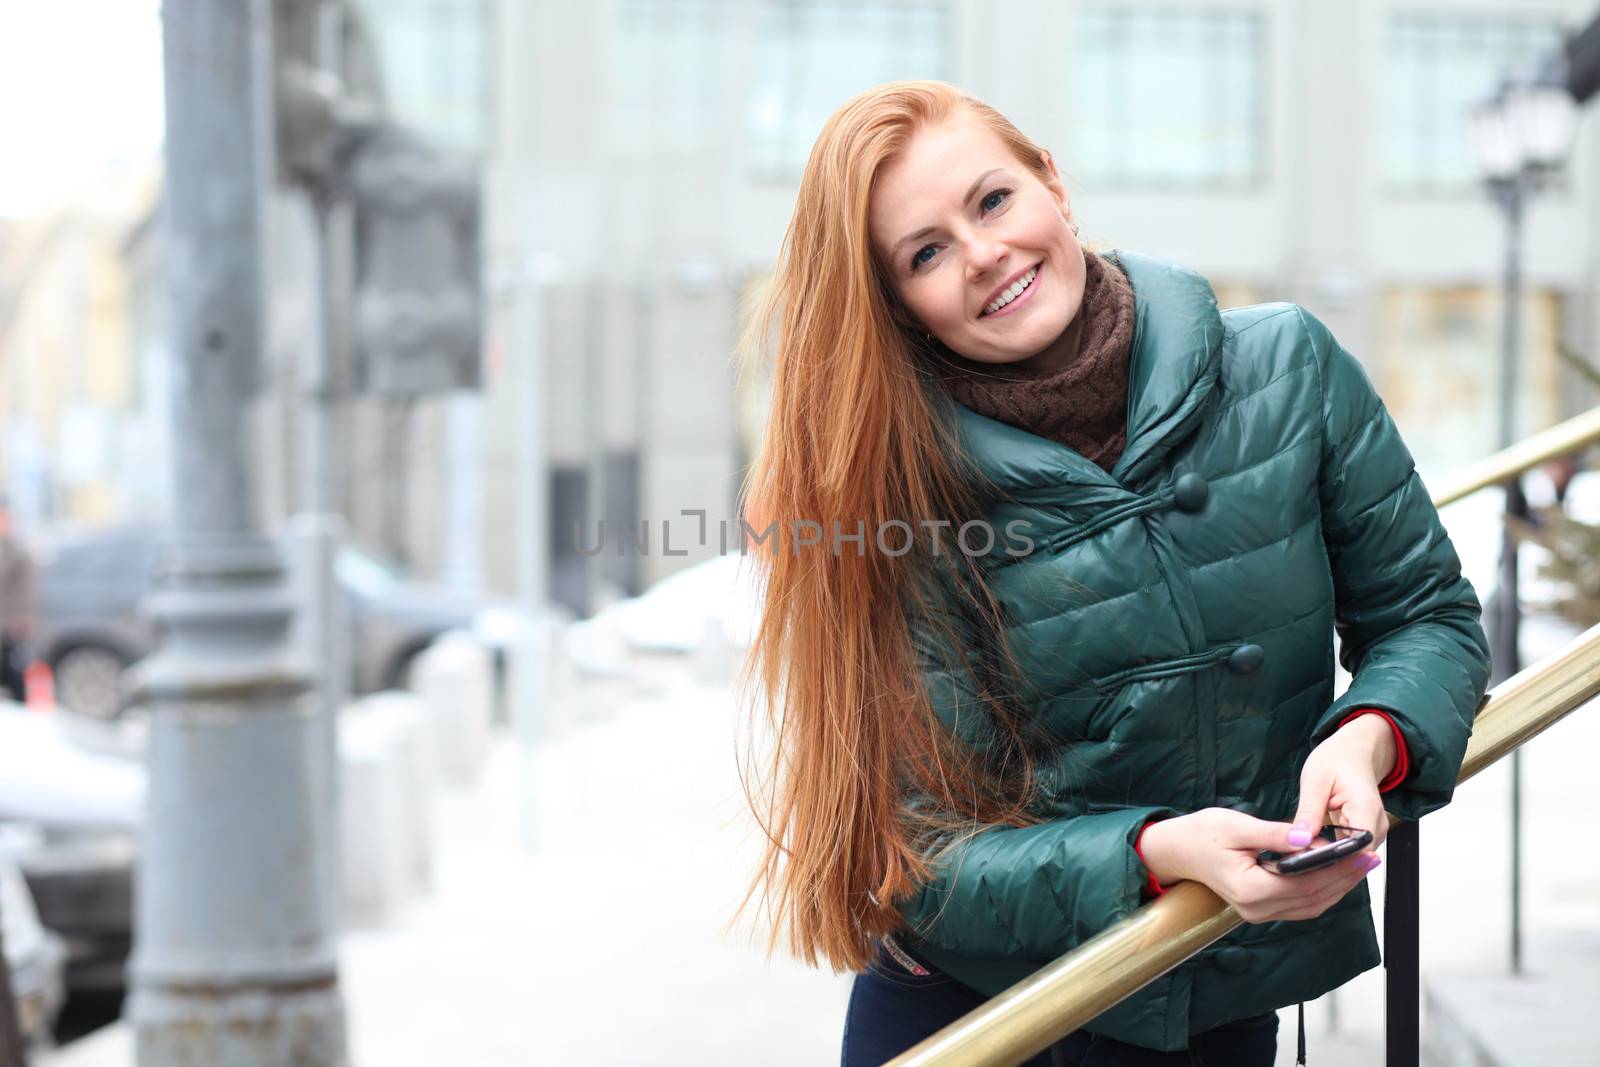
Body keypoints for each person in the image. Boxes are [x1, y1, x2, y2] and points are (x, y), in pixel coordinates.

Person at [736, 81, 1490, 1066]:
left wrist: (1369, 740)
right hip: (976, 1008)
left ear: (1052, 182)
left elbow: (1426, 615)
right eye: (925, 252)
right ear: (899, 308)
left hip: (1200, 990)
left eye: (993, 199)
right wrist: (1151, 853)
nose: (983, 253)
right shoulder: (898, 496)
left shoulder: (1287, 367)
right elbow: (920, 855)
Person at [0, 498, 38, 703]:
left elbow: (27, 592)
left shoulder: (17, 549)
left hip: (11, 628)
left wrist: (23, 620)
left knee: (15, 679)